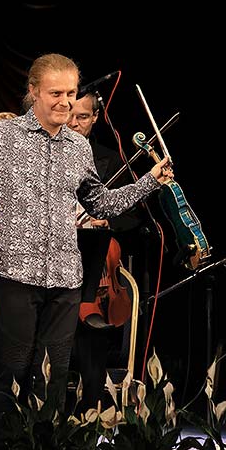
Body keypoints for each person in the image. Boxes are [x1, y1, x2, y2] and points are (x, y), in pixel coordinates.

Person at [0, 53, 172, 439]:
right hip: (15, 275)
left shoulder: (78, 147)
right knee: (11, 373)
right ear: (33, 93)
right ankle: (4, 442)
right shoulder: (5, 137)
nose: (66, 102)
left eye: (71, 93)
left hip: (65, 280)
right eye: (56, 93)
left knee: (54, 376)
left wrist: (150, 180)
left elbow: (100, 202)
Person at [66, 91, 145, 411]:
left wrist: (106, 217)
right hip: (52, 266)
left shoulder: (110, 161)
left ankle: (90, 415)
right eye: (69, 114)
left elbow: (133, 217)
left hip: (94, 271)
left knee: (91, 344)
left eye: (82, 117)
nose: (73, 123)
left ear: (96, 118)